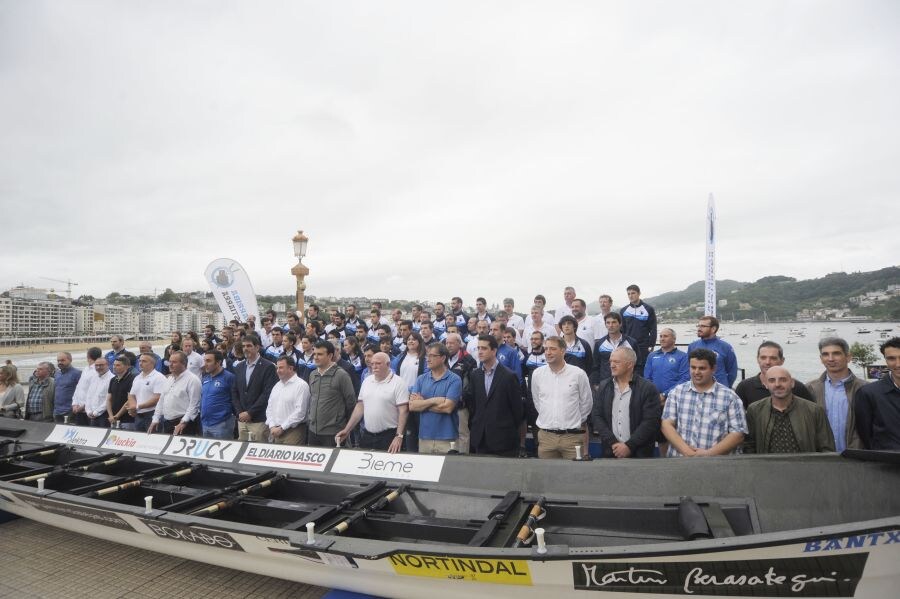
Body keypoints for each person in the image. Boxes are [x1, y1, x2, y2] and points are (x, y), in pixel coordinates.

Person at [661, 349, 747, 457]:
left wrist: (708, 454)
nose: (696, 372)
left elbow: (738, 433)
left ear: (713, 369)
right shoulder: (676, 393)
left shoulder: (730, 397)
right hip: (680, 460)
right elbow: (666, 425)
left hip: (717, 464)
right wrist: (687, 452)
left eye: (702, 368)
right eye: (693, 367)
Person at [744, 366, 834, 454]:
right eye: (772, 380)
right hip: (768, 467)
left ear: (792, 383)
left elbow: (827, 448)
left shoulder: (814, 411)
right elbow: (749, 446)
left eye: (783, 380)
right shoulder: (755, 410)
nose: (777, 384)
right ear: (766, 385)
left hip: (805, 467)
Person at [591, 347, 662, 458]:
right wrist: (613, 443)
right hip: (611, 452)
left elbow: (651, 422)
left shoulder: (648, 388)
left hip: (640, 455)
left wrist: (629, 446)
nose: (612, 365)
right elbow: (597, 416)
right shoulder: (603, 387)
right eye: (610, 361)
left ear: (630, 365)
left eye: (616, 362)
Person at [531, 336, 593, 459]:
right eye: (546, 348)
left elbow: (586, 403)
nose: (548, 352)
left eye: (553, 349)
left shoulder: (578, 374)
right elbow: (538, 402)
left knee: (573, 477)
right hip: (546, 438)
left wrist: (574, 421)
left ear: (563, 351)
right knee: (546, 476)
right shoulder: (537, 374)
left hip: (572, 438)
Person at [336, 352, 409, 453]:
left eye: (378, 363)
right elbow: (360, 406)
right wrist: (347, 430)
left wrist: (399, 436)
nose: (374, 366)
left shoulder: (399, 382)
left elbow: (403, 411)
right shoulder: (367, 381)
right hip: (367, 435)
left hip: (389, 436)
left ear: (388, 364)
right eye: (373, 363)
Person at [466, 335, 524, 457]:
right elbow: (473, 405)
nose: (480, 351)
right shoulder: (475, 375)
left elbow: (517, 411)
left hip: (504, 440)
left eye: (484, 348)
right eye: (478, 348)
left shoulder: (509, 376)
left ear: (494, 350)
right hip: (480, 438)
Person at [806, 337, 867, 452]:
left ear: (848, 357)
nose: (830, 359)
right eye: (825, 354)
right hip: (822, 459)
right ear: (821, 358)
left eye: (836, 353)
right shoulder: (810, 389)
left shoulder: (864, 389)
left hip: (856, 458)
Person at [408, 343, 462, 454]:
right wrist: (434, 400)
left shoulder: (454, 379)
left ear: (443, 358)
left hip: (447, 438)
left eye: (433, 356)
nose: (428, 359)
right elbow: (412, 406)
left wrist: (422, 403)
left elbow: (447, 408)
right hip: (424, 437)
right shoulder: (421, 379)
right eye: (428, 355)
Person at [735, 341, 814, 409]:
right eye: (763, 358)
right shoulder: (744, 387)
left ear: (782, 361)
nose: (767, 362)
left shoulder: (797, 387)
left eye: (773, 358)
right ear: (757, 359)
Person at [307, 340, 357, 447]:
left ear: (330, 355)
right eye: (314, 354)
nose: (315, 357)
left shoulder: (341, 375)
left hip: (333, 433)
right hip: (313, 431)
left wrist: (346, 427)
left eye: (320, 354)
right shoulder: (312, 374)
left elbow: (351, 403)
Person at [854, 337, 900, 450]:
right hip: (886, 463)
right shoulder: (868, 393)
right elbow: (865, 434)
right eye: (891, 358)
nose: (898, 364)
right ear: (885, 360)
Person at [231, 334, 278, 442]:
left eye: (249, 346)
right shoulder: (239, 367)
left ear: (257, 347)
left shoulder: (268, 366)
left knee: (260, 455)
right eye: (243, 346)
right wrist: (240, 412)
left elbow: (267, 393)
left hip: (259, 420)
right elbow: (234, 391)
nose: (245, 349)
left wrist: (250, 413)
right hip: (242, 420)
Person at [148, 351, 201, 436]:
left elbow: (194, 404)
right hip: (167, 422)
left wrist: (183, 422)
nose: (170, 364)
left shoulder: (193, 380)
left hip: (184, 424)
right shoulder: (169, 379)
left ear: (184, 364)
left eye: (174, 362)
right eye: (170, 361)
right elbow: (162, 400)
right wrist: (155, 418)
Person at [266, 356, 311, 445]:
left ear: (290, 368)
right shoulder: (277, 386)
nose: (278, 370)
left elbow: (300, 412)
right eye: (277, 368)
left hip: (293, 432)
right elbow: (269, 408)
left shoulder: (301, 385)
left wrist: (282, 428)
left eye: (281, 367)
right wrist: (271, 426)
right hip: (275, 431)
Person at [687, 316, 738, 387]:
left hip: (719, 391)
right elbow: (689, 368)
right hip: (697, 389)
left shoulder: (726, 347)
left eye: (703, 326)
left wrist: (725, 387)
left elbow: (732, 371)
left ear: (713, 329)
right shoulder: (692, 346)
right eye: (698, 326)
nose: (699, 329)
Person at [590, 312, 638, 385]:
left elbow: (638, 365)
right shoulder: (599, 344)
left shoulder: (631, 343)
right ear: (605, 325)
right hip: (605, 384)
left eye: (614, 322)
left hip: (627, 383)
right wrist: (596, 384)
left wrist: (634, 383)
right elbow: (595, 366)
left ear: (620, 324)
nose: (611, 325)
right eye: (608, 323)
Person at [643, 328, 690, 398]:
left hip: (674, 396)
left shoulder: (683, 356)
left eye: (665, 336)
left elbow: (684, 379)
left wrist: (665, 394)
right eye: (661, 336)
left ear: (674, 339)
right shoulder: (652, 355)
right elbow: (647, 377)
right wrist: (653, 393)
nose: (662, 339)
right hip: (654, 397)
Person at [620, 284, 657, 371]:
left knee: (643, 368)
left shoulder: (648, 309)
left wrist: (651, 344)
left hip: (643, 345)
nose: (630, 296)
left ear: (639, 293)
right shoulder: (624, 310)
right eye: (628, 294)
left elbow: (653, 328)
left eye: (633, 293)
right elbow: (622, 329)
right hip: (628, 345)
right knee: (628, 369)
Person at [200, 350, 236, 440]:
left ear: (218, 362)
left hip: (222, 424)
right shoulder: (205, 378)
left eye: (208, 361)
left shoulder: (229, 377)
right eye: (204, 361)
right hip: (205, 423)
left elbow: (235, 399)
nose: (205, 364)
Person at [128, 353, 168, 432]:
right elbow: (131, 395)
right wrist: (133, 407)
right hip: (138, 415)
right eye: (140, 361)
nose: (140, 363)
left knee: (153, 440)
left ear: (152, 363)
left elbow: (157, 398)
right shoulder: (137, 377)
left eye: (144, 361)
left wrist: (138, 407)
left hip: (152, 414)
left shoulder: (159, 377)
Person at [70, 347, 102, 425]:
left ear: (88, 356)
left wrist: (84, 406)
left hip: (89, 410)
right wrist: (74, 404)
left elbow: (95, 392)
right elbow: (79, 387)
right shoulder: (86, 369)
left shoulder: (97, 371)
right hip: (78, 408)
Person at [107, 356, 137, 430]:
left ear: (126, 366)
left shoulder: (133, 379)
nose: (114, 367)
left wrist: (117, 415)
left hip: (128, 420)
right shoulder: (113, 380)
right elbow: (108, 399)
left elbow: (130, 400)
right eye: (114, 365)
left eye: (118, 365)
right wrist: (111, 415)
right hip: (113, 419)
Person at [83, 357, 114, 427]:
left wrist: (97, 412)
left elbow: (109, 399)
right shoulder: (94, 378)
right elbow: (89, 395)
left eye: (101, 365)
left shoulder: (112, 379)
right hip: (91, 414)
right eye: (96, 365)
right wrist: (88, 410)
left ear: (107, 365)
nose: (98, 367)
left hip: (104, 415)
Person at [53, 352, 82, 423]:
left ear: (70, 360)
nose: (60, 362)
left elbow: (82, 392)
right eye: (58, 361)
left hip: (70, 412)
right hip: (57, 412)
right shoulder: (57, 374)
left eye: (62, 360)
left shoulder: (78, 373)